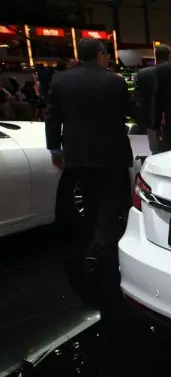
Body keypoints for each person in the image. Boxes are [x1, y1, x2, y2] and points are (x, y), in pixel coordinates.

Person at [45, 37, 133, 305]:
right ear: (99, 55)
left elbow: (52, 117)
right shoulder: (115, 81)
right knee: (113, 199)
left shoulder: (61, 80)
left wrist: (55, 149)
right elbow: (129, 111)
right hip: (112, 152)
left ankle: (95, 238)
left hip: (78, 152)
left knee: (91, 197)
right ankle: (105, 244)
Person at [134, 44, 171, 153]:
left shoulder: (142, 73)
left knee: (155, 150)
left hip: (151, 119)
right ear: (169, 56)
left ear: (156, 56)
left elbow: (139, 99)